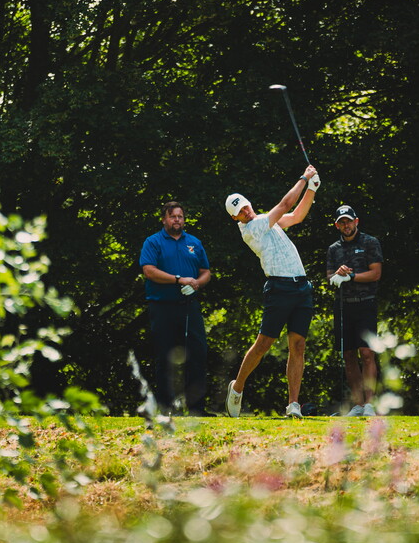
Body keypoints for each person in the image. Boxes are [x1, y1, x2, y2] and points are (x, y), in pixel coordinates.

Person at [223, 165, 321, 419]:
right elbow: (286, 203)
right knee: (264, 344)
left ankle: (293, 405)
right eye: (239, 211)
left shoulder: (264, 220)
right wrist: (304, 177)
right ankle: (238, 387)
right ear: (235, 219)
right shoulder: (251, 229)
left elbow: (296, 216)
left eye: (245, 206)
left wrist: (311, 189)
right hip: (279, 288)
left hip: (302, 287)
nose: (245, 211)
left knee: (298, 345)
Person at [139, 201, 212, 415]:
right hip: (162, 307)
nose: (177, 220)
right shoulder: (153, 242)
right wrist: (178, 280)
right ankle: (166, 408)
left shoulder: (194, 243)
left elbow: (205, 271)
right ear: (164, 219)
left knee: (197, 355)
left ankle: (197, 408)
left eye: (180, 216)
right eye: (172, 216)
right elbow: (149, 271)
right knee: (164, 357)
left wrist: (197, 283)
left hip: (189, 307)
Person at [326, 204, 383, 416]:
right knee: (348, 355)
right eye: (341, 222)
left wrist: (351, 276)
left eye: (349, 221)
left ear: (356, 221)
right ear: (337, 225)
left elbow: (376, 273)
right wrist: (338, 274)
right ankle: (358, 405)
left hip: (365, 303)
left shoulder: (370, 242)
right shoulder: (333, 249)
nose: (346, 225)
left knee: (367, 353)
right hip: (343, 305)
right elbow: (330, 278)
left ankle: (369, 404)